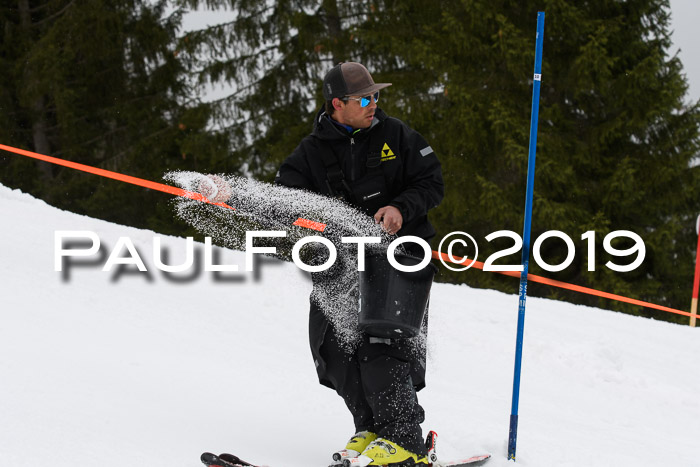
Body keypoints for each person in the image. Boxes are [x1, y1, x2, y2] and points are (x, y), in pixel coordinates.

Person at [275, 62, 444, 466]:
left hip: (399, 258)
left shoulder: (396, 135)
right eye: (364, 99)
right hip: (343, 263)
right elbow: (284, 200)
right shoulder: (312, 152)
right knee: (333, 345)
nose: (373, 105)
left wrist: (401, 208)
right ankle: (371, 429)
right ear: (337, 104)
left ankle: (404, 441)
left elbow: (431, 182)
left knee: (381, 340)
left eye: (376, 96)